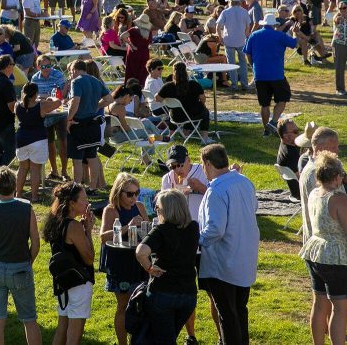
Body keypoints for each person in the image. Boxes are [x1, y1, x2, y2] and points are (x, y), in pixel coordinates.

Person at [299, 152, 347, 345]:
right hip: (336, 257)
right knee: (341, 309)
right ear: (337, 176)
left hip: (316, 252)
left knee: (320, 304)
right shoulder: (339, 198)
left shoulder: (315, 193)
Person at [0, 165, 42, 345]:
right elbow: (36, 242)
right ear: (14, 186)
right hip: (20, 268)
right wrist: (29, 261)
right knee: (29, 320)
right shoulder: (27, 209)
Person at [197, 144, 258, 345]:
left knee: (228, 315)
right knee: (240, 310)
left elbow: (215, 229)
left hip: (223, 262)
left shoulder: (216, 189)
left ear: (207, 163)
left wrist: (197, 242)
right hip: (245, 256)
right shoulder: (244, 181)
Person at [135, 188, 201, 345]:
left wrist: (149, 268)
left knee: (163, 339)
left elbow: (140, 252)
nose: (156, 211)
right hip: (188, 293)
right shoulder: (193, 227)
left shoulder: (160, 230)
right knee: (170, 335)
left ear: (165, 210)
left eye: (157, 208)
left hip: (163, 291)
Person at [99, 173, 149, 345]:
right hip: (120, 263)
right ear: (119, 192)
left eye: (137, 193)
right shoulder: (111, 210)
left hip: (139, 262)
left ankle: (139, 340)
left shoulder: (140, 207)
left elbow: (149, 233)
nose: (134, 197)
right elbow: (103, 237)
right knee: (123, 305)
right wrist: (128, 226)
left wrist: (145, 227)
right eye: (129, 194)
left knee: (143, 304)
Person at [43, 181, 95, 345]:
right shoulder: (74, 226)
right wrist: (88, 230)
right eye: (84, 199)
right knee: (74, 335)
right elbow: (89, 258)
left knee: (62, 328)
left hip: (63, 282)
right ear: (72, 203)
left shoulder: (57, 222)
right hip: (78, 283)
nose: (87, 202)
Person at [242, 12, 297, 135]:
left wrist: (253, 65)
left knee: (264, 104)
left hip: (260, 74)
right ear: (274, 25)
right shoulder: (279, 35)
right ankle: (273, 122)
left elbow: (247, 53)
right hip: (276, 74)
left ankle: (266, 130)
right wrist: (294, 32)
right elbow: (294, 44)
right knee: (283, 98)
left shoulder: (253, 35)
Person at [65, 58, 113, 189]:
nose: (70, 75)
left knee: (77, 160)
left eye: (70, 72)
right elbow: (109, 99)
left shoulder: (77, 81)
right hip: (94, 124)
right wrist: (96, 107)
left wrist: (69, 119)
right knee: (92, 157)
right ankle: (93, 188)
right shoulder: (96, 81)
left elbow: (75, 102)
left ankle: (77, 187)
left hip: (79, 123)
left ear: (75, 69)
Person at [15, 82, 61, 202]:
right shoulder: (41, 105)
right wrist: (50, 97)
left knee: (22, 168)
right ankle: (34, 196)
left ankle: (18, 194)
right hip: (37, 139)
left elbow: (23, 101)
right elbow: (59, 102)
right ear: (36, 94)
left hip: (21, 139)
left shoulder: (17, 106)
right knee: (35, 168)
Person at [156, 62, 212, 144]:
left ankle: (171, 135)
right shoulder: (194, 84)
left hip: (176, 117)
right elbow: (203, 98)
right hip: (193, 114)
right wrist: (202, 105)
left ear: (173, 72)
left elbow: (158, 99)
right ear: (186, 72)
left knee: (172, 110)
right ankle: (204, 138)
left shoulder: (168, 86)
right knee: (205, 111)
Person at [216, 0, 251, 91]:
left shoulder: (225, 12)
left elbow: (218, 26)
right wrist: (246, 34)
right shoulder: (244, 11)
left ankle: (234, 84)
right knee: (243, 63)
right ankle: (244, 83)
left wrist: (220, 37)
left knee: (231, 63)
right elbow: (248, 25)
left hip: (229, 40)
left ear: (230, 2)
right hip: (241, 40)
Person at [276, 117, 303, 198]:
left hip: (295, 191)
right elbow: (301, 178)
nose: (299, 134)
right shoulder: (291, 154)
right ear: (286, 136)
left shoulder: (284, 147)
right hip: (301, 192)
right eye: (295, 132)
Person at [122, 14, 151, 85]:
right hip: (144, 53)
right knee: (142, 72)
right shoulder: (149, 32)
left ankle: (130, 86)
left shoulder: (134, 30)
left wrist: (131, 44)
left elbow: (122, 36)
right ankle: (141, 87)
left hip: (134, 53)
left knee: (132, 71)